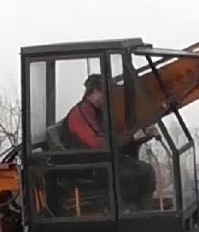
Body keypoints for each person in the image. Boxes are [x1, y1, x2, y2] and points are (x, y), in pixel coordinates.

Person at [56, 73, 156, 210]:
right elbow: (99, 145)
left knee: (143, 170)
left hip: (100, 161)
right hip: (88, 167)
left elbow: (111, 139)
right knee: (138, 173)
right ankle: (129, 211)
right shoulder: (79, 114)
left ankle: (138, 210)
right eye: (106, 92)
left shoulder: (98, 112)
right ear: (95, 91)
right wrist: (131, 138)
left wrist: (140, 137)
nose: (109, 97)